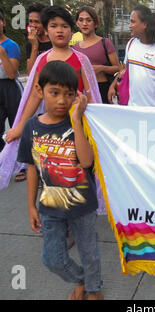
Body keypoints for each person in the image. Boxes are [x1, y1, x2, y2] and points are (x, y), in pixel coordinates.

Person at [17, 60, 103, 300]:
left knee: (90, 253)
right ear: (39, 90)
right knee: (52, 258)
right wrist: (31, 206)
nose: (62, 100)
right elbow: (31, 167)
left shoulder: (81, 123)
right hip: (49, 207)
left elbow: (86, 162)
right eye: (54, 93)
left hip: (82, 206)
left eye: (68, 94)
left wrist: (77, 120)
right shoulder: (31, 127)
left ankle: (94, 290)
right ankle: (82, 280)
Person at [0, 5, 101, 191]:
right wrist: (19, 128)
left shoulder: (81, 60)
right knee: (54, 178)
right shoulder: (42, 60)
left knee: (82, 173)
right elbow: (34, 96)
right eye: (54, 26)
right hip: (51, 130)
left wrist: (96, 126)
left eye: (64, 26)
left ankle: (81, 214)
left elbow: (92, 95)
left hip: (78, 126)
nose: (60, 30)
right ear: (46, 30)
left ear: (72, 31)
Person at [108, 5, 155, 107]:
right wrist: (112, 86)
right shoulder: (131, 43)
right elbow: (124, 71)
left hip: (154, 111)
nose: (129, 25)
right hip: (133, 109)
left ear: (144, 24)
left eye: (133, 21)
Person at [74, 6, 119, 104]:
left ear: (95, 23)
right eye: (81, 20)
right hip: (83, 91)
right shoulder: (75, 48)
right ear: (77, 23)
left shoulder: (105, 43)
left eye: (88, 20)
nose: (84, 23)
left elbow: (118, 69)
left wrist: (101, 68)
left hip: (103, 88)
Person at [0, 10, 23, 156]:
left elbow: (11, 73)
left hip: (10, 89)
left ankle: (22, 164)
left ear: (4, 23)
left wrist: (2, 52)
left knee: (17, 126)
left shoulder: (11, 45)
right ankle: (4, 159)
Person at [26, 3, 52, 75]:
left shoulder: (54, 42)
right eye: (30, 21)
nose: (33, 25)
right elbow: (30, 73)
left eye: (37, 22)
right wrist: (34, 46)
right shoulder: (30, 44)